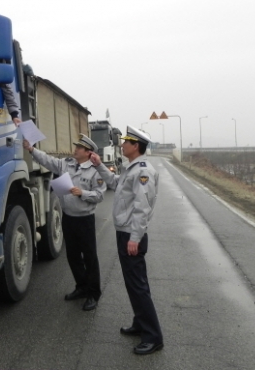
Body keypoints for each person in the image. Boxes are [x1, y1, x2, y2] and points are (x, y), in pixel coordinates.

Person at [90, 125, 163, 355]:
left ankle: (153, 337)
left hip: (132, 234)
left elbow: (142, 207)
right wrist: (98, 165)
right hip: (126, 232)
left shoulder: (143, 171)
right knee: (134, 285)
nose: (122, 145)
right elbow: (114, 182)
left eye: (126, 142)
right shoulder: (131, 168)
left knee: (138, 287)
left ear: (136, 146)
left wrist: (135, 238)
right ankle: (140, 323)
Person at [23, 134, 106, 311]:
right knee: (73, 256)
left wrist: (82, 193)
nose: (75, 149)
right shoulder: (66, 164)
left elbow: (100, 195)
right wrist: (31, 150)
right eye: (76, 146)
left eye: (79, 148)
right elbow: (48, 160)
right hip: (68, 218)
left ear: (88, 152)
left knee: (90, 258)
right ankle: (81, 287)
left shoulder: (96, 171)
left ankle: (93, 294)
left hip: (85, 220)